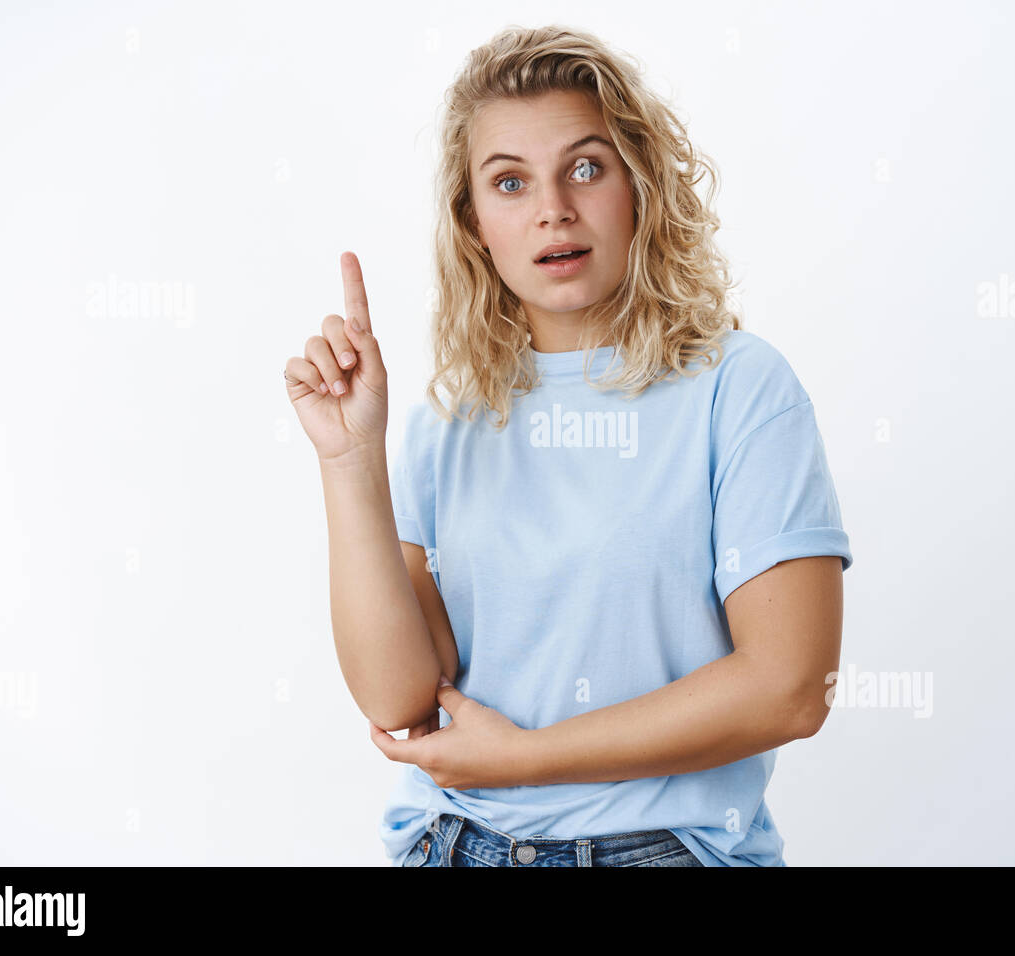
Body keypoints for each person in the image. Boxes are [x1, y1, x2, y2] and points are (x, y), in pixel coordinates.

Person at [283, 24, 852, 867]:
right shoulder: (453, 419)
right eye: (509, 182)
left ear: (639, 185)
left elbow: (791, 689)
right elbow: (400, 696)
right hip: (451, 846)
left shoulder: (741, 387)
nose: (553, 208)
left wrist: (525, 759)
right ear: (474, 222)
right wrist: (349, 460)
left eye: (586, 167)